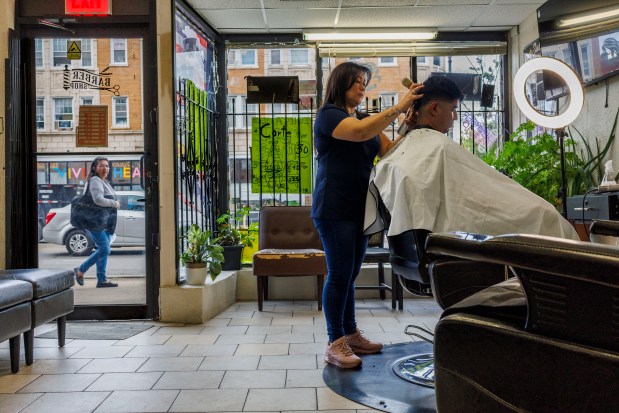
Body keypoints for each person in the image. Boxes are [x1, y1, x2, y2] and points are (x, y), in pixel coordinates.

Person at [364, 75, 579, 241]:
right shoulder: (437, 148)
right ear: (435, 108)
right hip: (513, 227)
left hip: (417, 248)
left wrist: (408, 123)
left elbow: (393, 151)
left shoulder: (408, 153)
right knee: (546, 216)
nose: (455, 116)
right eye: (454, 109)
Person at [312, 61, 424, 368]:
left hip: (359, 210)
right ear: (341, 83)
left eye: (364, 82)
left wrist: (409, 123)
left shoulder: (361, 118)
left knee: (349, 276)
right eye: (357, 82)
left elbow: (389, 149)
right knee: (338, 276)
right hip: (333, 208)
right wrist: (399, 107)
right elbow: (361, 134)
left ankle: (350, 333)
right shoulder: (328, 116)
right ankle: (335, 342)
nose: (363, 87)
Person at [74, 156, 121, 288]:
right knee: (105, 249)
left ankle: (102, 280)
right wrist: (114, 203)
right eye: (101, 165)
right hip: (94, 221)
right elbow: (98, 199)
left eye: (106, 166)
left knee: (102, 249)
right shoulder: (95, 180)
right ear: (94, 168)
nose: (105, 168)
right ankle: (81, 269)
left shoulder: (104, 181)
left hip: (103, 221)